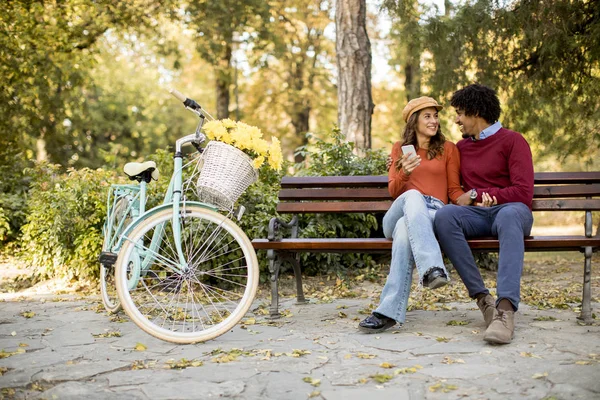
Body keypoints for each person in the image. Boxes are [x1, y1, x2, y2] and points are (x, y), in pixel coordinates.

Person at [434, 83, 534, 344]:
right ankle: (484, 300)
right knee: (444, 216)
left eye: (460, 113)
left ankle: (505, 310)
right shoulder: (461, 148)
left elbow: (523, 193)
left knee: (510, 215)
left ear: (475, 112)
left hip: (511, 212)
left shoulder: (514, 140)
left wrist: (482, 193)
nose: (456, 120)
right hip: (478, 216)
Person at [359, 96, 466, 334]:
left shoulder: (449, 149)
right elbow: (394, 191)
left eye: (436, 116)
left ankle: (386, 313)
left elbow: (453, 191)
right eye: (427, 116)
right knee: (413, 196)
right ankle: (431, 269)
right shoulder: (399, 149)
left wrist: (475, 198)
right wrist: (404, 172)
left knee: (406, 233)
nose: (434, 121)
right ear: (414, 121)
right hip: (400, 211)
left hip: (432, 215)